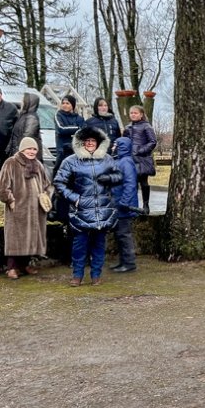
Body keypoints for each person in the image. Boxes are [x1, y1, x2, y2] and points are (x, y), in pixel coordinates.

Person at [54, 126, 121, 287]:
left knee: (99, 244)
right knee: (79, 245)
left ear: (99, 143)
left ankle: (96, 275)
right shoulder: (71, 161)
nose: (90, 143)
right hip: (81, 210)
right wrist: (74, 198)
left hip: (103, 210)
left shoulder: (107, 159)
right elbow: (59, 182)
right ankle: (77, 275)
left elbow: (118, 176)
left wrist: (109, 185)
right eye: (87, 141)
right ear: (81, 143)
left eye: (93, 141)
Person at [0, 137, 52, 279]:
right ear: (22, 149)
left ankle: (25, 265)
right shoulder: (11, 163)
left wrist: (45, 196)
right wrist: (11, 201)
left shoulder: (38, 165)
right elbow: (3, 187)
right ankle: (11, 268)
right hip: (18, 209)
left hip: (36, 210)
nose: (32, 151)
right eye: (29, 148)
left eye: (34, 149)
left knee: (31, 237)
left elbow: (47, 185)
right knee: (16, 238)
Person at [110, 137, 141, 273]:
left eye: (115, 145)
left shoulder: (126, 162)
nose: (112, 147)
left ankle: (129, 263)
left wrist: (124, 202)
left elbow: (130, 184)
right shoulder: (119, 161)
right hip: (118, 203)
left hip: (123, 205)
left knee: (124, 234)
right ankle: (123, 261)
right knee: (119, 234)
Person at [123, 105, 157, 214]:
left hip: (142, 159)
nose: (133, 114)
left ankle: (146, 205)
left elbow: (153, 141)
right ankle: (133, 206)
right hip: (130, 159)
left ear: (141, 114)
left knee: (144, 182)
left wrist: (140, 150)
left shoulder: (146, 126)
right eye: (131, 113)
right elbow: (124, 142)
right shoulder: (127, 127)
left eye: (135, 113)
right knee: (132, 183)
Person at [54, 95, 86, 176]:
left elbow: (83, 131)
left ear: (73, 105)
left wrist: (71, 130)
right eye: (63, 103)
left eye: (67, 103)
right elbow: (61, 129)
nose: (65, 105)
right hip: (63, 150)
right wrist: (77, 128)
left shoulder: (79, 118)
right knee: (60, 172)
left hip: (76, 149)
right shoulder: (58, 115)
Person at [6, 92, 42, 161]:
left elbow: (27, 137)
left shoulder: (32, 118)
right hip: (18, 151)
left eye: (23, 100)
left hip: (25, 154)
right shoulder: (23, 115)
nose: (21, 102)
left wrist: (18, 150)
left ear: (29, 103)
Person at [0, 87, 18, 169]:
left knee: (5, 167)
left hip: (5, 144)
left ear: (1, 94)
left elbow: (17, 126)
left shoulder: (11, 108)